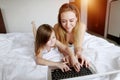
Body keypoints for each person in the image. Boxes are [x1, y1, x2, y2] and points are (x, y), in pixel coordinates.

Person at [54, 3, 89, 70]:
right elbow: (61, 47)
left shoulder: (81, 27)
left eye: (71, 20)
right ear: (60, 21)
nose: (68, 25)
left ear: (77, 18)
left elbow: (78, 46)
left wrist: (78, 53)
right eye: (63, 21)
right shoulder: (56, 27)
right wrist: (67, 55)